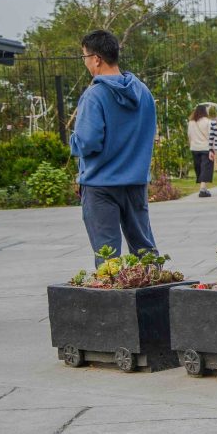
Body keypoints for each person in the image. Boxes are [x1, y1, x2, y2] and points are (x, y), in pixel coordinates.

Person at [68, 29, 159, 266]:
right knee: (145, 249)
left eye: (85, 57)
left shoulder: (94, 95)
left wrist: (72, 141)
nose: (86, 63)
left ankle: (114, 302)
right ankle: (157, 296)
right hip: (135, 182)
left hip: (101, 185)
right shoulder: (143, 93)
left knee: (108, 256)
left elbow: (88, 142)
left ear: (96, 58)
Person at [187, 104, 213, 198]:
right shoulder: (208, 122)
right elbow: (211, 136)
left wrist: (191, 144)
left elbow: (189, 135)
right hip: (206, 148)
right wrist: (212, 149)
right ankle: (203, 189)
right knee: (206, 168)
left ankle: (203, 188)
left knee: (199, 168)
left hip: (194, 148)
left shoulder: (191, 122)